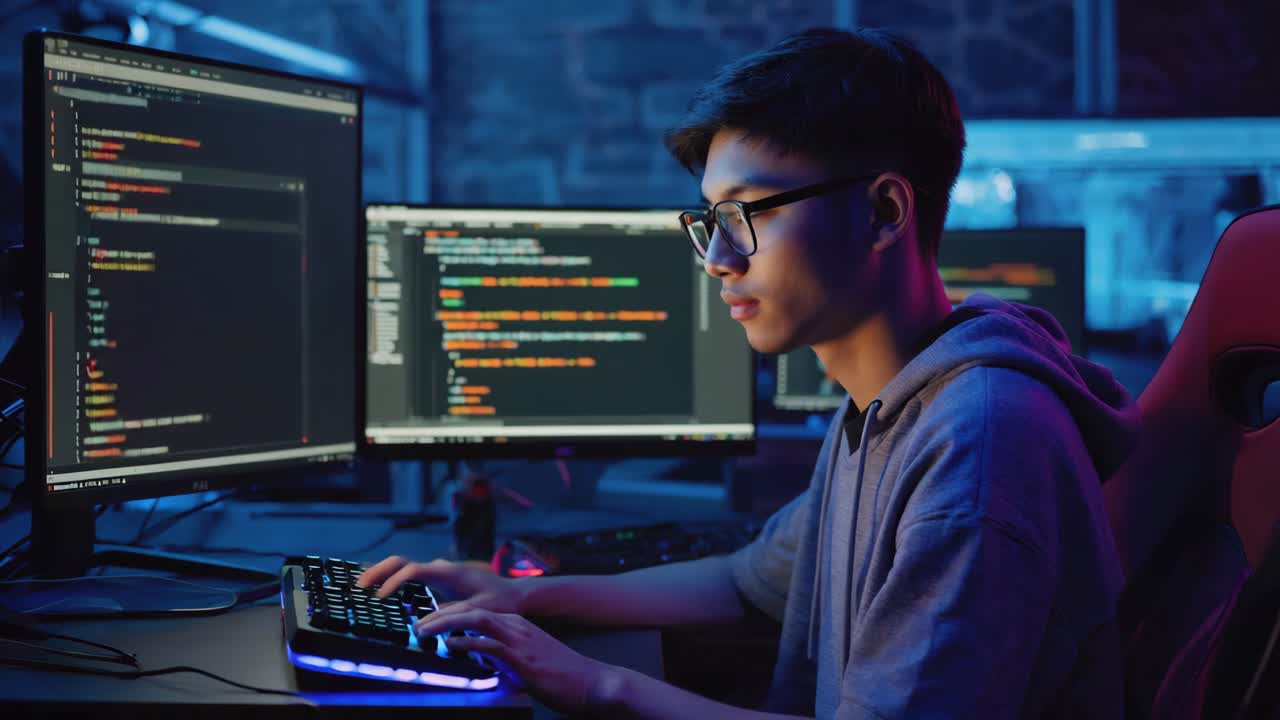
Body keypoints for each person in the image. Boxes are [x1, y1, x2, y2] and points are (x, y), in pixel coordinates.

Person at [358, 27, 1140, 719]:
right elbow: (745, 580)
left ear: (884, 213)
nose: (719, 261)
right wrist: (520, 594)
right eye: (709, 221)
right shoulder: (892, 402)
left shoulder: (978, 443)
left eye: (747, 214)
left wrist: (594, 684)